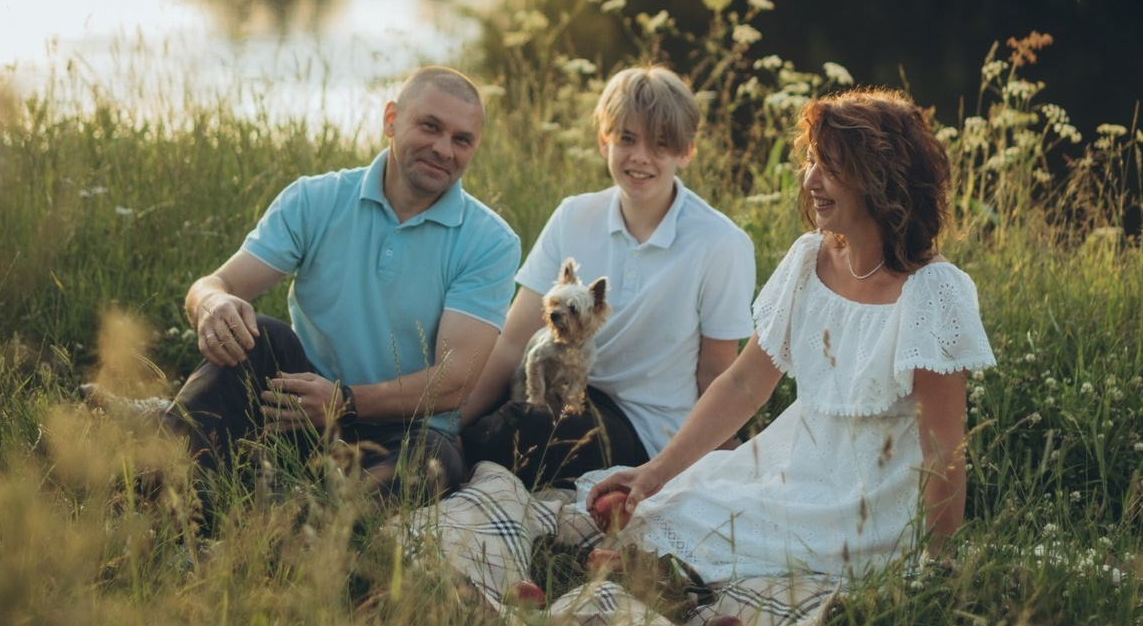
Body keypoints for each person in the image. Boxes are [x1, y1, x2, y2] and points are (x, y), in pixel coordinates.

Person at [585, 87, 996, 582]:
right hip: (794, 466)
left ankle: (671, 582)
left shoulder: (934, 290)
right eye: (811, 162)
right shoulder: (809, 260)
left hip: (871, 501)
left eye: (829, 167)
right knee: (665, 511)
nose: (810, 180)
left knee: (736, 552)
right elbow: (743, 384)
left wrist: (939, 567)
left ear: (879, 178)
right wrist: (653, 473)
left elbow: (942, 445)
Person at [93, 66, 520, 501]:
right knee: (258, 336)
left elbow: (453, 384)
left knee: (435, 462)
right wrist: (211, 304)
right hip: (295, 409)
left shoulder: (491, 241)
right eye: (430, 127)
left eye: (461, 139)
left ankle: (275, 511)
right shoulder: (316, 199)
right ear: (391, 119)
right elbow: (217, 283)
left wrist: (345, 401)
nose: (443, 149)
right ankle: (157, 477)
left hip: (403, 433)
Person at [459, 65, 757, 488]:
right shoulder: (574, 216)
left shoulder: (720, 243)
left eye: (661, 145)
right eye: (627, 139)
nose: (640, 157)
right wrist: (444, 423)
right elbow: (511, 340)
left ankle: (441, 464)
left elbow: (716, 374)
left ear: (686, 152)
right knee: (497, 417)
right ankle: (428, 448)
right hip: (565, 390)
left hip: (645, 428)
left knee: (520, 435)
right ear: (604, 141)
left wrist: (723, 466)